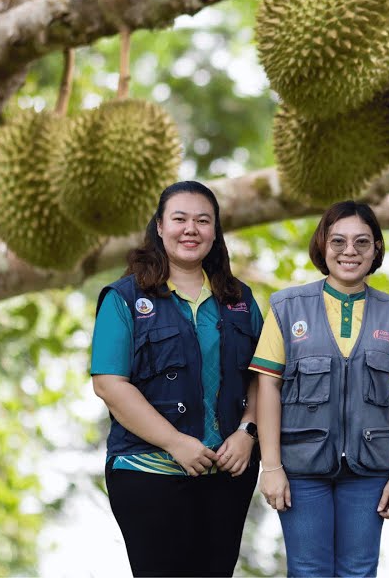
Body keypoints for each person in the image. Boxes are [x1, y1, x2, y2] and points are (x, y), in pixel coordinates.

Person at [90, 180, 264, 577]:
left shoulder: (240, 299)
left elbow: (263, 375)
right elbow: (109, 384)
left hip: (227, 476)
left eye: (203, 220)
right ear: (160, 226)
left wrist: (247, 430)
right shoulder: (125, 299)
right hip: (147, 473)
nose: (191, 229)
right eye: (180, 219)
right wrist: (176, 443)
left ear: (215, 232)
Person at [249, 201, 389, 578]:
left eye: (361, 242)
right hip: (301, 468)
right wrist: (271, 466)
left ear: (376, 249)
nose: (349, 251)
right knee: (308, 571)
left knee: (359, 571)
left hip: (369, 470)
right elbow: (268, 387)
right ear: (322, 246)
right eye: (338, 241)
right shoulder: (286, 307)